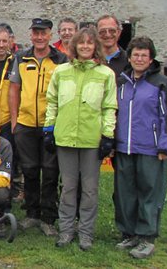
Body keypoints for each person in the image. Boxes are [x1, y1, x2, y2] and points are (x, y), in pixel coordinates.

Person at [45, 27, 118, 250]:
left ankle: (86, 233)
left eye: (89, 43)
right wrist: (49, 128)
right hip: (65, 138)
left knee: (89, 189)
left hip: (91, 139)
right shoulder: (61, 71)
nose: (85, 47)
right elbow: (52, 102)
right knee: (67, 187)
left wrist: (107, 134)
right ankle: (66, 231)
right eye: (81, 43)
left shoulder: (105, 74)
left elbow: (109, 106)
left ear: (95, 46)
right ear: (74, 46)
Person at [113, 37, 167, 259]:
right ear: (129, 57)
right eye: (135, 55)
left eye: (144, 55)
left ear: (151, 59)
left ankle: (147, 236)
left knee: (149, 192)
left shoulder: (161, 84)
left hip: (150, 148)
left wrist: (165, 146)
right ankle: (129, 232)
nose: (139, 59)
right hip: (124, 147)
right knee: (125, 193)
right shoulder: (121, 83)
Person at [9, 18, 68, 236]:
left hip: (50, 125)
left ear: (50, 35)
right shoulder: (21, 57)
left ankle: (48, 217)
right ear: (31, 35)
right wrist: (15, 120)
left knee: (51, 171)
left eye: (43, 33)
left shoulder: (61, 59)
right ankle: (32, 214)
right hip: (25, 123)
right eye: (36, 33)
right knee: (30, 169)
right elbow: (14, 89)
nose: (39, 37)